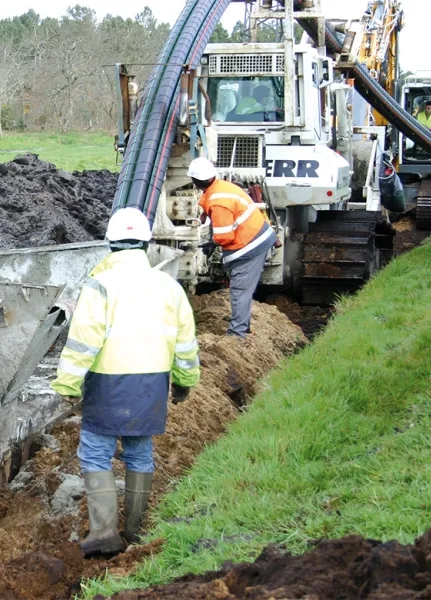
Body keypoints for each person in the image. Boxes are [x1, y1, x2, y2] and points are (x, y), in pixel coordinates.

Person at [50, 207, 200, 556]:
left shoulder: (100, 285)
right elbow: (186, 343)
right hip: (151, 385)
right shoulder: (169, 287)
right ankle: (134, 532)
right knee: (139, 453)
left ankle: (103, 535)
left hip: (108, 384)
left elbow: (83, 342)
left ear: (111, 244)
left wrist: (68, 385)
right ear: (147, 243)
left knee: (95, 454)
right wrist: (184, 382)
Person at [187, 156, 277, 338]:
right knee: (243, 288)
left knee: (240, 289)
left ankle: (237, 333)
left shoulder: (219, 202)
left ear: (196, 181)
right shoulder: (221, 188)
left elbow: (225, 235)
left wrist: (213, 243)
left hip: (250, 245)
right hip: (255, 238)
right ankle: (243, 324)